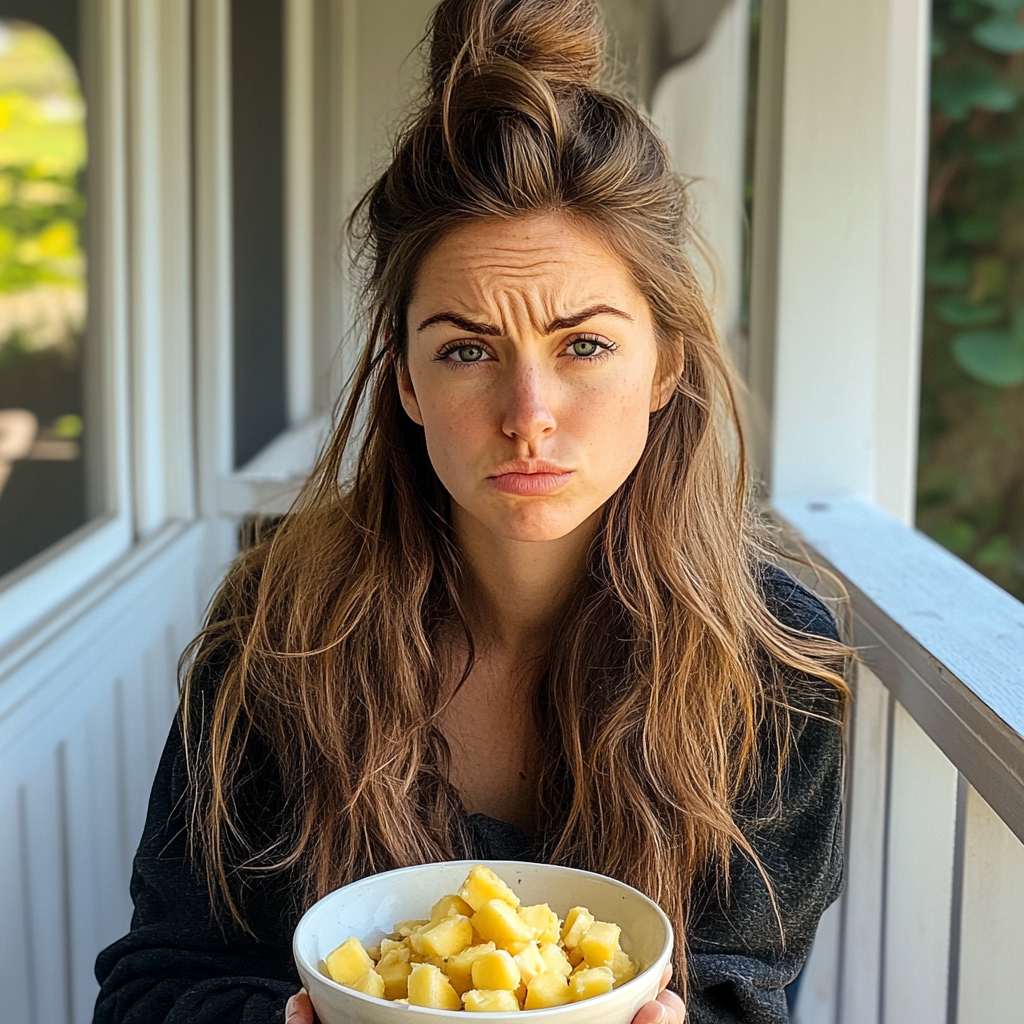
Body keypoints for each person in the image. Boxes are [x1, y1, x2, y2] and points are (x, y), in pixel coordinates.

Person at [93, 1, 850, 1022]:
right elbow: (156, 983)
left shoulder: (773, 667)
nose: (526, 418)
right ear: (404, 380)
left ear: (666, 361)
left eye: (583, 346)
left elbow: (745, 995)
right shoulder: (275, 633)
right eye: (464, 349)